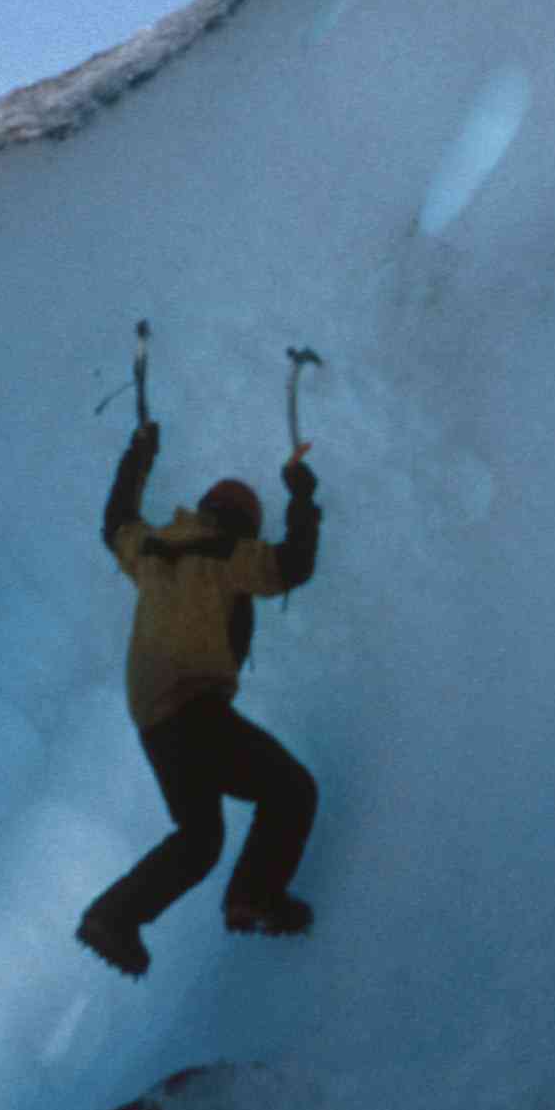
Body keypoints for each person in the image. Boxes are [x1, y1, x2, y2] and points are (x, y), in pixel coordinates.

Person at [75, 385, 325, 970]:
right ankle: (254, 898)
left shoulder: (155, 547)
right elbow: (295, 564)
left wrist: (140, 455)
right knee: (291, 790)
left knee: (200, 839)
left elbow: (115, 521)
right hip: (193, 707)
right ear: (243, 524)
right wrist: (304, 496)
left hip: (153, 717)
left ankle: (114, 917)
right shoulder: (228, 555)